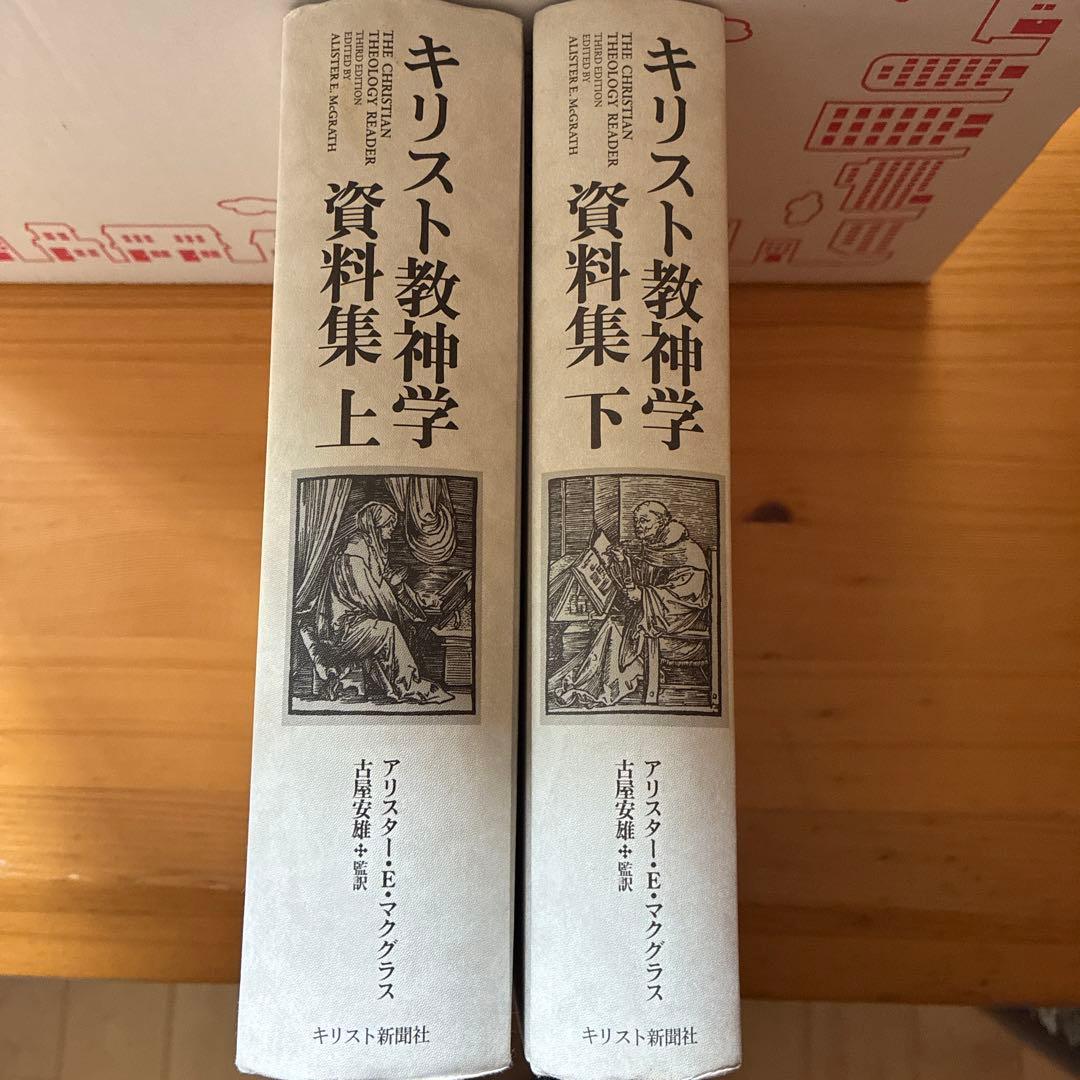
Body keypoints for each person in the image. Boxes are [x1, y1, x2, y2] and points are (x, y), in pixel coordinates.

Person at [549, 500, 710, 708]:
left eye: (644, 521)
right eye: (636, 521)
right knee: (613, 623)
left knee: (615, 628)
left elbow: (686, 597)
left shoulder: (688, 551)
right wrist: (623, 561)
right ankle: (586, 682)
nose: (638, 526)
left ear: (661, 522)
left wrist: (642, 595)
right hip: (657, 616)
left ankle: (599, 689)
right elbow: (646, 575)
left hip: (681, 630)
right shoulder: (656, 547)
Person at [315, 501, 452, 704]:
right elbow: (371, 596)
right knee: (389, 630)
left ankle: (395, 684)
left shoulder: (374, 549)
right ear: (374, 526)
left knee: (400, 627)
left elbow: (391, 582)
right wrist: (400, 612)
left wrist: (419, 601)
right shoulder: (354, 553)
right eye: (388, 525)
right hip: (344, 626)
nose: (391, 530)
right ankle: (407, 685)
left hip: (361, 618)